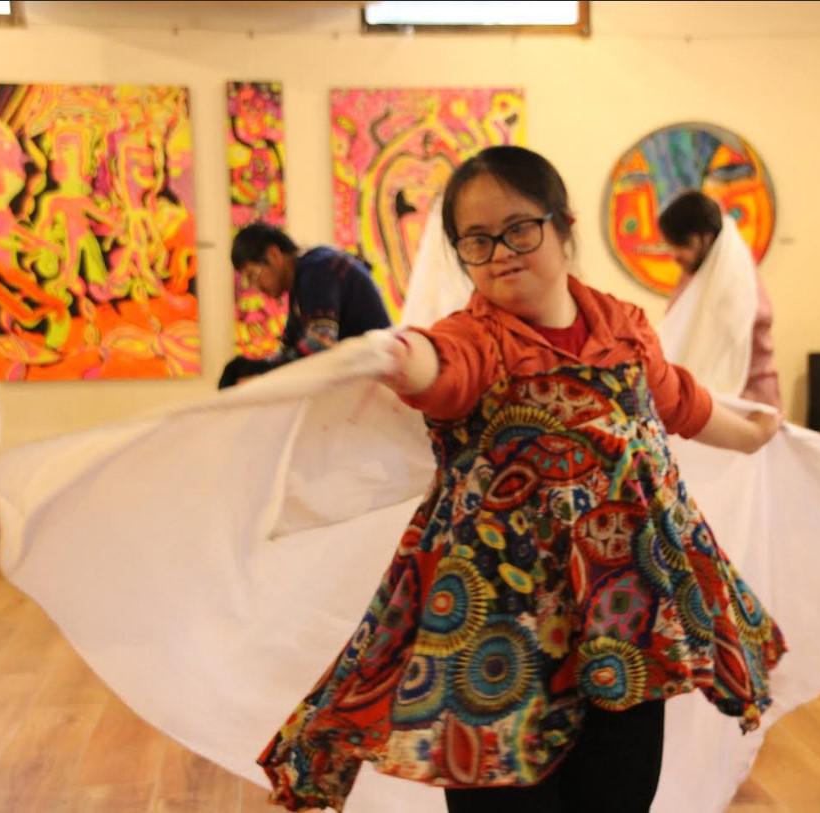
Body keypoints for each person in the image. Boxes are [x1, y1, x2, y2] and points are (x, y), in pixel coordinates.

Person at [257, 146, 786, 813]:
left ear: (563, 227)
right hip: (496, 631)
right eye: (476, 241)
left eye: (518, 229)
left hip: (622, 614)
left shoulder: (624, 328)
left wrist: (753, 433)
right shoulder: (475, 338)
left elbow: (679, 401)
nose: (500, 253)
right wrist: (401, 355)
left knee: (619, 796)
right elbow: (439, 369)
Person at [219, 224, 392, 388]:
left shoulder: (317, 269)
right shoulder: (301, 284)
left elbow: (320, 344)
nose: (257, 287)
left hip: (380, 381)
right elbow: (289, 347)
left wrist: (260, 372)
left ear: (273, 255)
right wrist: (254, 367)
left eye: (253, 275)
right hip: (369, 380)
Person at [657, 191, 781, 410]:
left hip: (749, 399)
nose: (674, 255)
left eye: (682, 244)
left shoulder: (737, 279)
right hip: (703, 404)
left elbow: (741, 331)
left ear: (705, 236)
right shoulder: (694, 275)